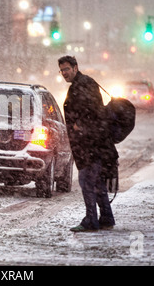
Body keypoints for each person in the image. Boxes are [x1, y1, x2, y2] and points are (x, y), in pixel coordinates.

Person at [58, 55, 118, 232]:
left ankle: (91, 220)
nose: (64, 73)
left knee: (86, 181)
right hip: (92, 143)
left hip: (90, 144)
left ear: (75, 68)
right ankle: (106, 217)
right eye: (61, 70)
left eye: (67, 69)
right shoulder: (81, 84)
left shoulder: (83, 84)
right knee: (97, 182)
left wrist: (81, 125)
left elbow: (94, 109)